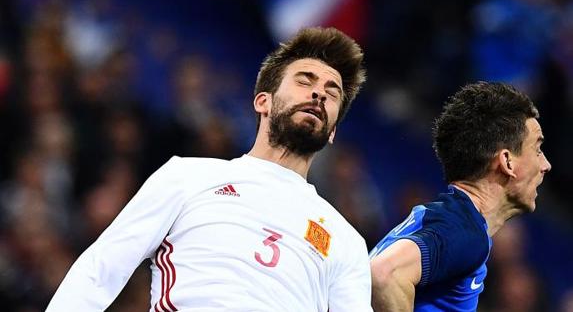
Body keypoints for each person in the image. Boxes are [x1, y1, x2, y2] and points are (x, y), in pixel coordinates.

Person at [46, 27, 372, 312]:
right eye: (305, 81)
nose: (318, 93)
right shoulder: (188, 177)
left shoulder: (345, 240)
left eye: (332, 93)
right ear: (264, 102)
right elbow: (100, 269)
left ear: (332, 133)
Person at [369, 82, 552, 311]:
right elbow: (383, 274)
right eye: (537, 149)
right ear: (507, 162)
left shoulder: (446, 219)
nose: (546, 165)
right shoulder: (464, 232)